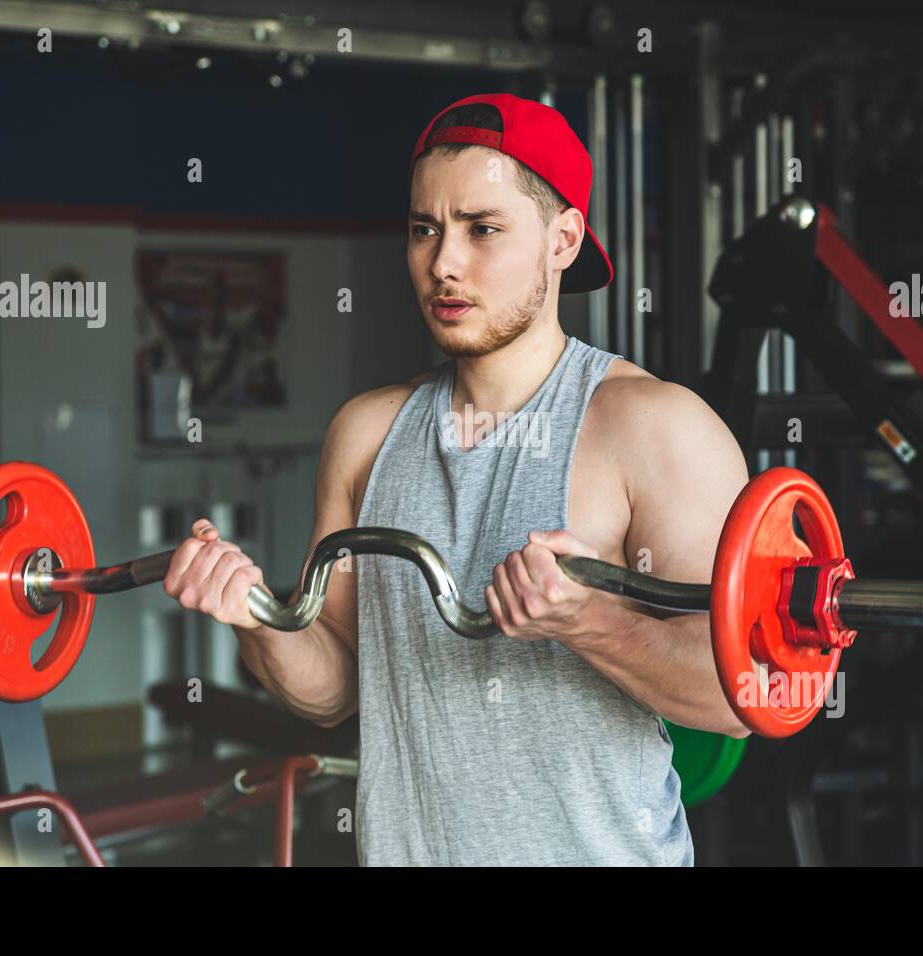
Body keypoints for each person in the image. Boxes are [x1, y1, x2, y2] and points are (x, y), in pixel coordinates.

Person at [163, 94, 750, 866]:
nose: (443, 261)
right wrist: (255, 618)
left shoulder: (653, 429)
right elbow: (335, 688)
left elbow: (740, 697)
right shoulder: (367, 435)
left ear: (563, 239)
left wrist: (590, 622)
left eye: (483, 229)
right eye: (424, 229)